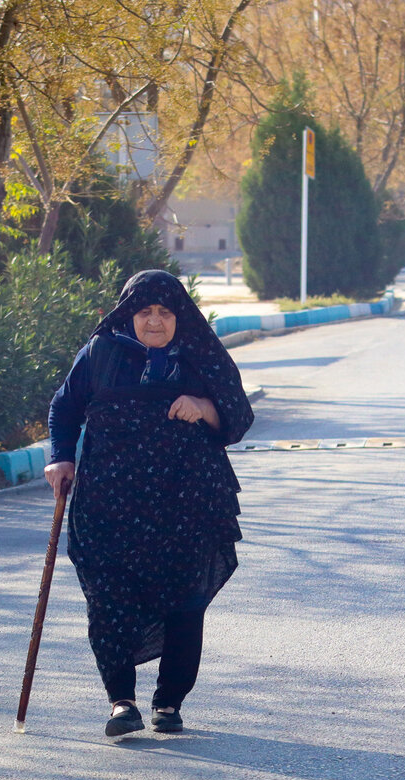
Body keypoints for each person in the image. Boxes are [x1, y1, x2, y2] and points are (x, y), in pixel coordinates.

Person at [44, 269, 254, 737]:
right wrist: (60, 459)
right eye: (144, 312)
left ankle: (169, 703)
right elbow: (64, 407)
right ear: (128, 314)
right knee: (108, 600)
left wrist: (204, 408)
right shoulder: (100, 353)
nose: (154, 321)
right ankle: (121, 701)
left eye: (164, 311)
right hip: (108, 506)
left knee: (185, 601)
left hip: (186, 504)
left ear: (180, 315)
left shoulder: (201, 357)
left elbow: (239, 416)